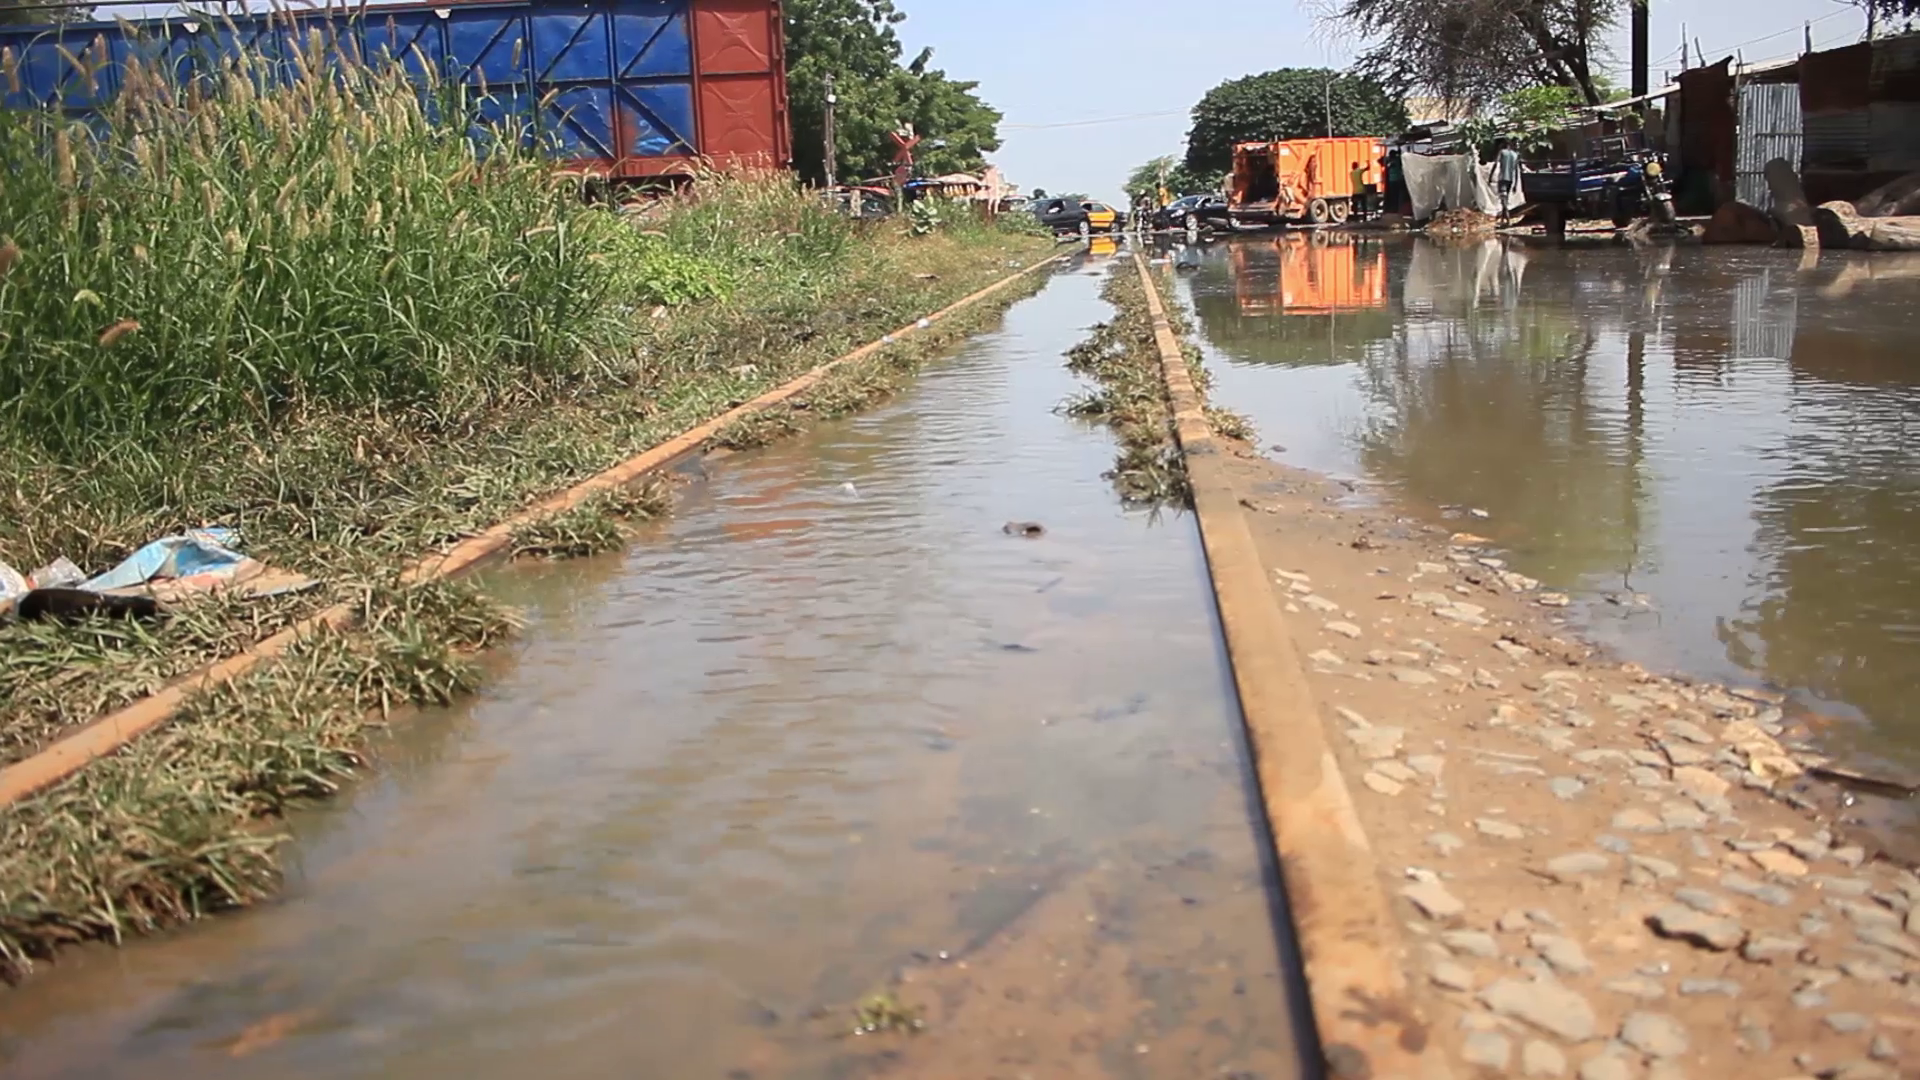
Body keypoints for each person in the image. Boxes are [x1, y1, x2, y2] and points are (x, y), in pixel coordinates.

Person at [1495, 138, 1522, 224]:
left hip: (1502, 178)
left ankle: (1507, 217)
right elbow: (1516, 171)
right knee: (1505, 199)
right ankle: (1503, 220)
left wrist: (1490, 177)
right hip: (1510, 180)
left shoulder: (1502, 152)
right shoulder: (1515, 155)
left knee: (1503, 199)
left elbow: (1496, 164)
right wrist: (1515, 184)